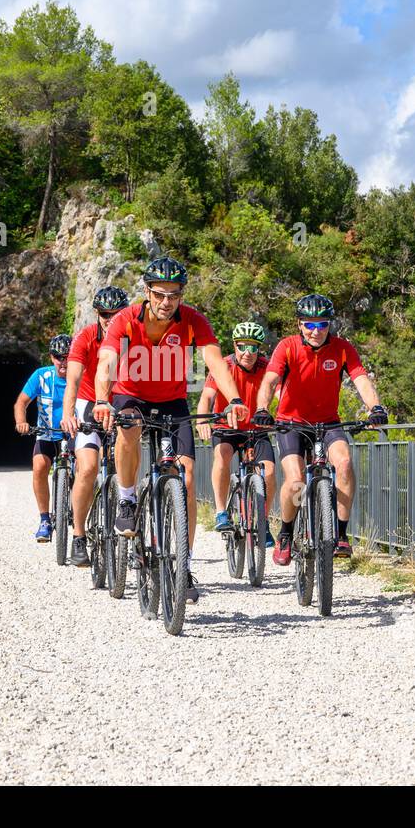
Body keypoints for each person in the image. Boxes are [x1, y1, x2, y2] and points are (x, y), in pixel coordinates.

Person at [90, 257, 249, 603]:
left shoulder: (193, 321)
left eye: (174, 295)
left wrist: (234, 398)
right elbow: (105, 364)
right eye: (160, 294)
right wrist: (103, 400)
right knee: (128, 430)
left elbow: (215, 362)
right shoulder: (125, 320)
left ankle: (183, 563)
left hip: (173, 402)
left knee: (188, 476)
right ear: (147, 292)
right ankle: (128, 499)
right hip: (131, 395)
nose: (166, 302)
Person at [251, 294, 388, 565]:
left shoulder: (342, 349)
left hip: (328, 422)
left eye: (322, 324)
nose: (316, 331)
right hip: (291, 423)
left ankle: (340, 533)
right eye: (310, 325)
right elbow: (269, 380)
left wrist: (375, 408)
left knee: (345, 464)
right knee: (296, 480)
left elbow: (360, 379)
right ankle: (287, 532)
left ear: (330, 324)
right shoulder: (287, 347)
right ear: (300, 324)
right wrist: (263, 409)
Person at [59, 285, 130, 567]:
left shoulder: (133, 338)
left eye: (116, 314)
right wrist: (68, 413)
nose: (110, 319)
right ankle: (78, 536)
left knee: (129, 466)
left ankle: (130, 533)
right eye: (104, 314)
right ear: (97, 314)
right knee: (87, 467)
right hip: (89, 402)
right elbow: (73, 381)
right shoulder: (86, 337)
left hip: (123, 403)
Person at [195, 320, 277, 548]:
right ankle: (221, 511)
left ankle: (263, 521)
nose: (247, 352)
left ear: (260, 348)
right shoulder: (223, 366)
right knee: (222, 455)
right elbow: (207, 398)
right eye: (242, 346)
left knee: (269, 472)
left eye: (253, 347)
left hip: (256, 429)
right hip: (226, 427)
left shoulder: (266, 367)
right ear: (234, 345)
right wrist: (202, 420)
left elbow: (281, 391)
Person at [14, 333, 73, 542]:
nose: (63, 361)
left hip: (74, 433)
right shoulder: (41, 376)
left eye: (68, 356)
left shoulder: (81, 376)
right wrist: (21, 422)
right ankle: (45, 519)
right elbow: (21, 403)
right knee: (39, 467)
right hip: (47, 434)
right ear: (51, 357)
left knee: (87, 467)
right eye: (58, 357)